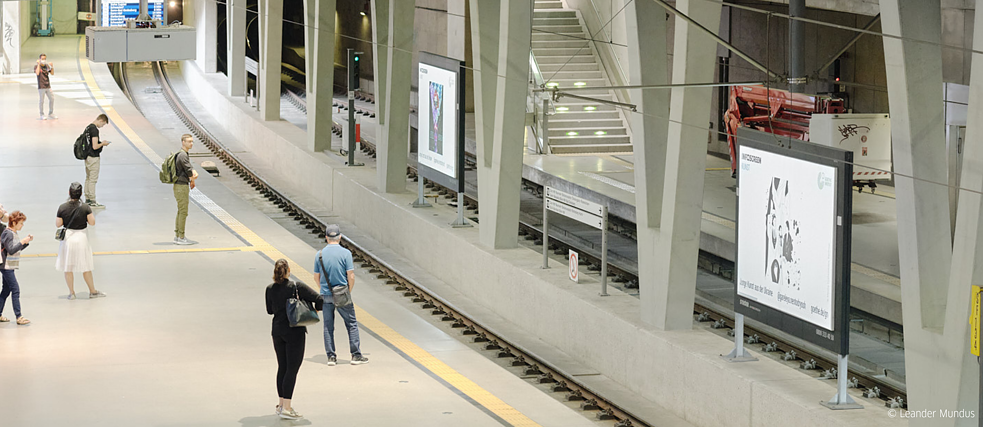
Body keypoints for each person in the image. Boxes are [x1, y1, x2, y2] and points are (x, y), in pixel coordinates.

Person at [265, 259, 322, 420]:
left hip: (277, 331)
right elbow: (320, 300)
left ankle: (281, 404)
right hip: (295, 332)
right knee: (292, 369)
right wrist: (314, 311)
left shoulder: (270, 289)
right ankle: (287, 408)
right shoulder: (297, 287)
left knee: (282, 367)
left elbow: (269, 310)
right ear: (288, 271)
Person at [313, 224, 368, 366]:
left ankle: (331, 357)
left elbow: (316, 277)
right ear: (340, 237)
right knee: (351, 324)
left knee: (328, 326)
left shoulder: (319, 255)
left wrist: (324, 289)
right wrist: (348, 290)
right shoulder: (346, 253)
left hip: (326, 295)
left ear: (326, 238)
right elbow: (351, 275)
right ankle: (355, 355)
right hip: (342, 293)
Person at [56, 182, 105, 300]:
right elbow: (92, 222)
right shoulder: (85, 207)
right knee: (86, 266)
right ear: (81, 194)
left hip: (68, 239)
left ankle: (71, 293)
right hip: (82, 238)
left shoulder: (62, 207)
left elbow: (58, 224)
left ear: (69, 193)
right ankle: (92, 291)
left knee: (68, 267)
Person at [0, 211, 33, 325]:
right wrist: (22, 242)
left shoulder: (12, 233)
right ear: (14, 222)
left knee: (6, 290)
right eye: (21, 223)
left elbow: (14, 250)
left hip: (9, 266)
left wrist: (25, 242)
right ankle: (19, 316)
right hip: (6, 266)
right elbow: (11, 250)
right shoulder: (8, 233)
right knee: (15, 289)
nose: (22, 225)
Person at [81, 114, 112, 208]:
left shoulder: (88, 128)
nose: (102, 126)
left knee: (88, 178)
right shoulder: (94, 130)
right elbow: (95, 146)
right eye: (103, 124)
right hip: (93, 157)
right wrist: (103, 143)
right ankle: (92, 200)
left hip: (87, 157)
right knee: (93, 179)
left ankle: (87, 199)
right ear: (101, 120)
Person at [173, 134, 198, 245]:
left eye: (192, 141)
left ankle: (178, 235)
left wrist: (192, 180)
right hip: (181, 186)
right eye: (189, 141)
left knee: (180, 211)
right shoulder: (183, 155)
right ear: (183, 142)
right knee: (183, 212)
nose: (191, 143)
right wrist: (194, 176)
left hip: (180, 185)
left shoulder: (182, 154)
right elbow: (189, 170)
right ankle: (181, 237)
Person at [35, 53, 55, 120]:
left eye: (44, 59)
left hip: (48, 86)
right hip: (41, 86)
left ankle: (51, 113)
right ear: (40, 59)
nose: (43, 60)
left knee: (52, 99)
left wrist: (52, 66)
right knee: (41, 101)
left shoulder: (46, 66)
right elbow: (37, 73)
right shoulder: (37, 66)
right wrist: (38, 64)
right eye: (42, 59)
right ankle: (41, 114)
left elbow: (52, 73)